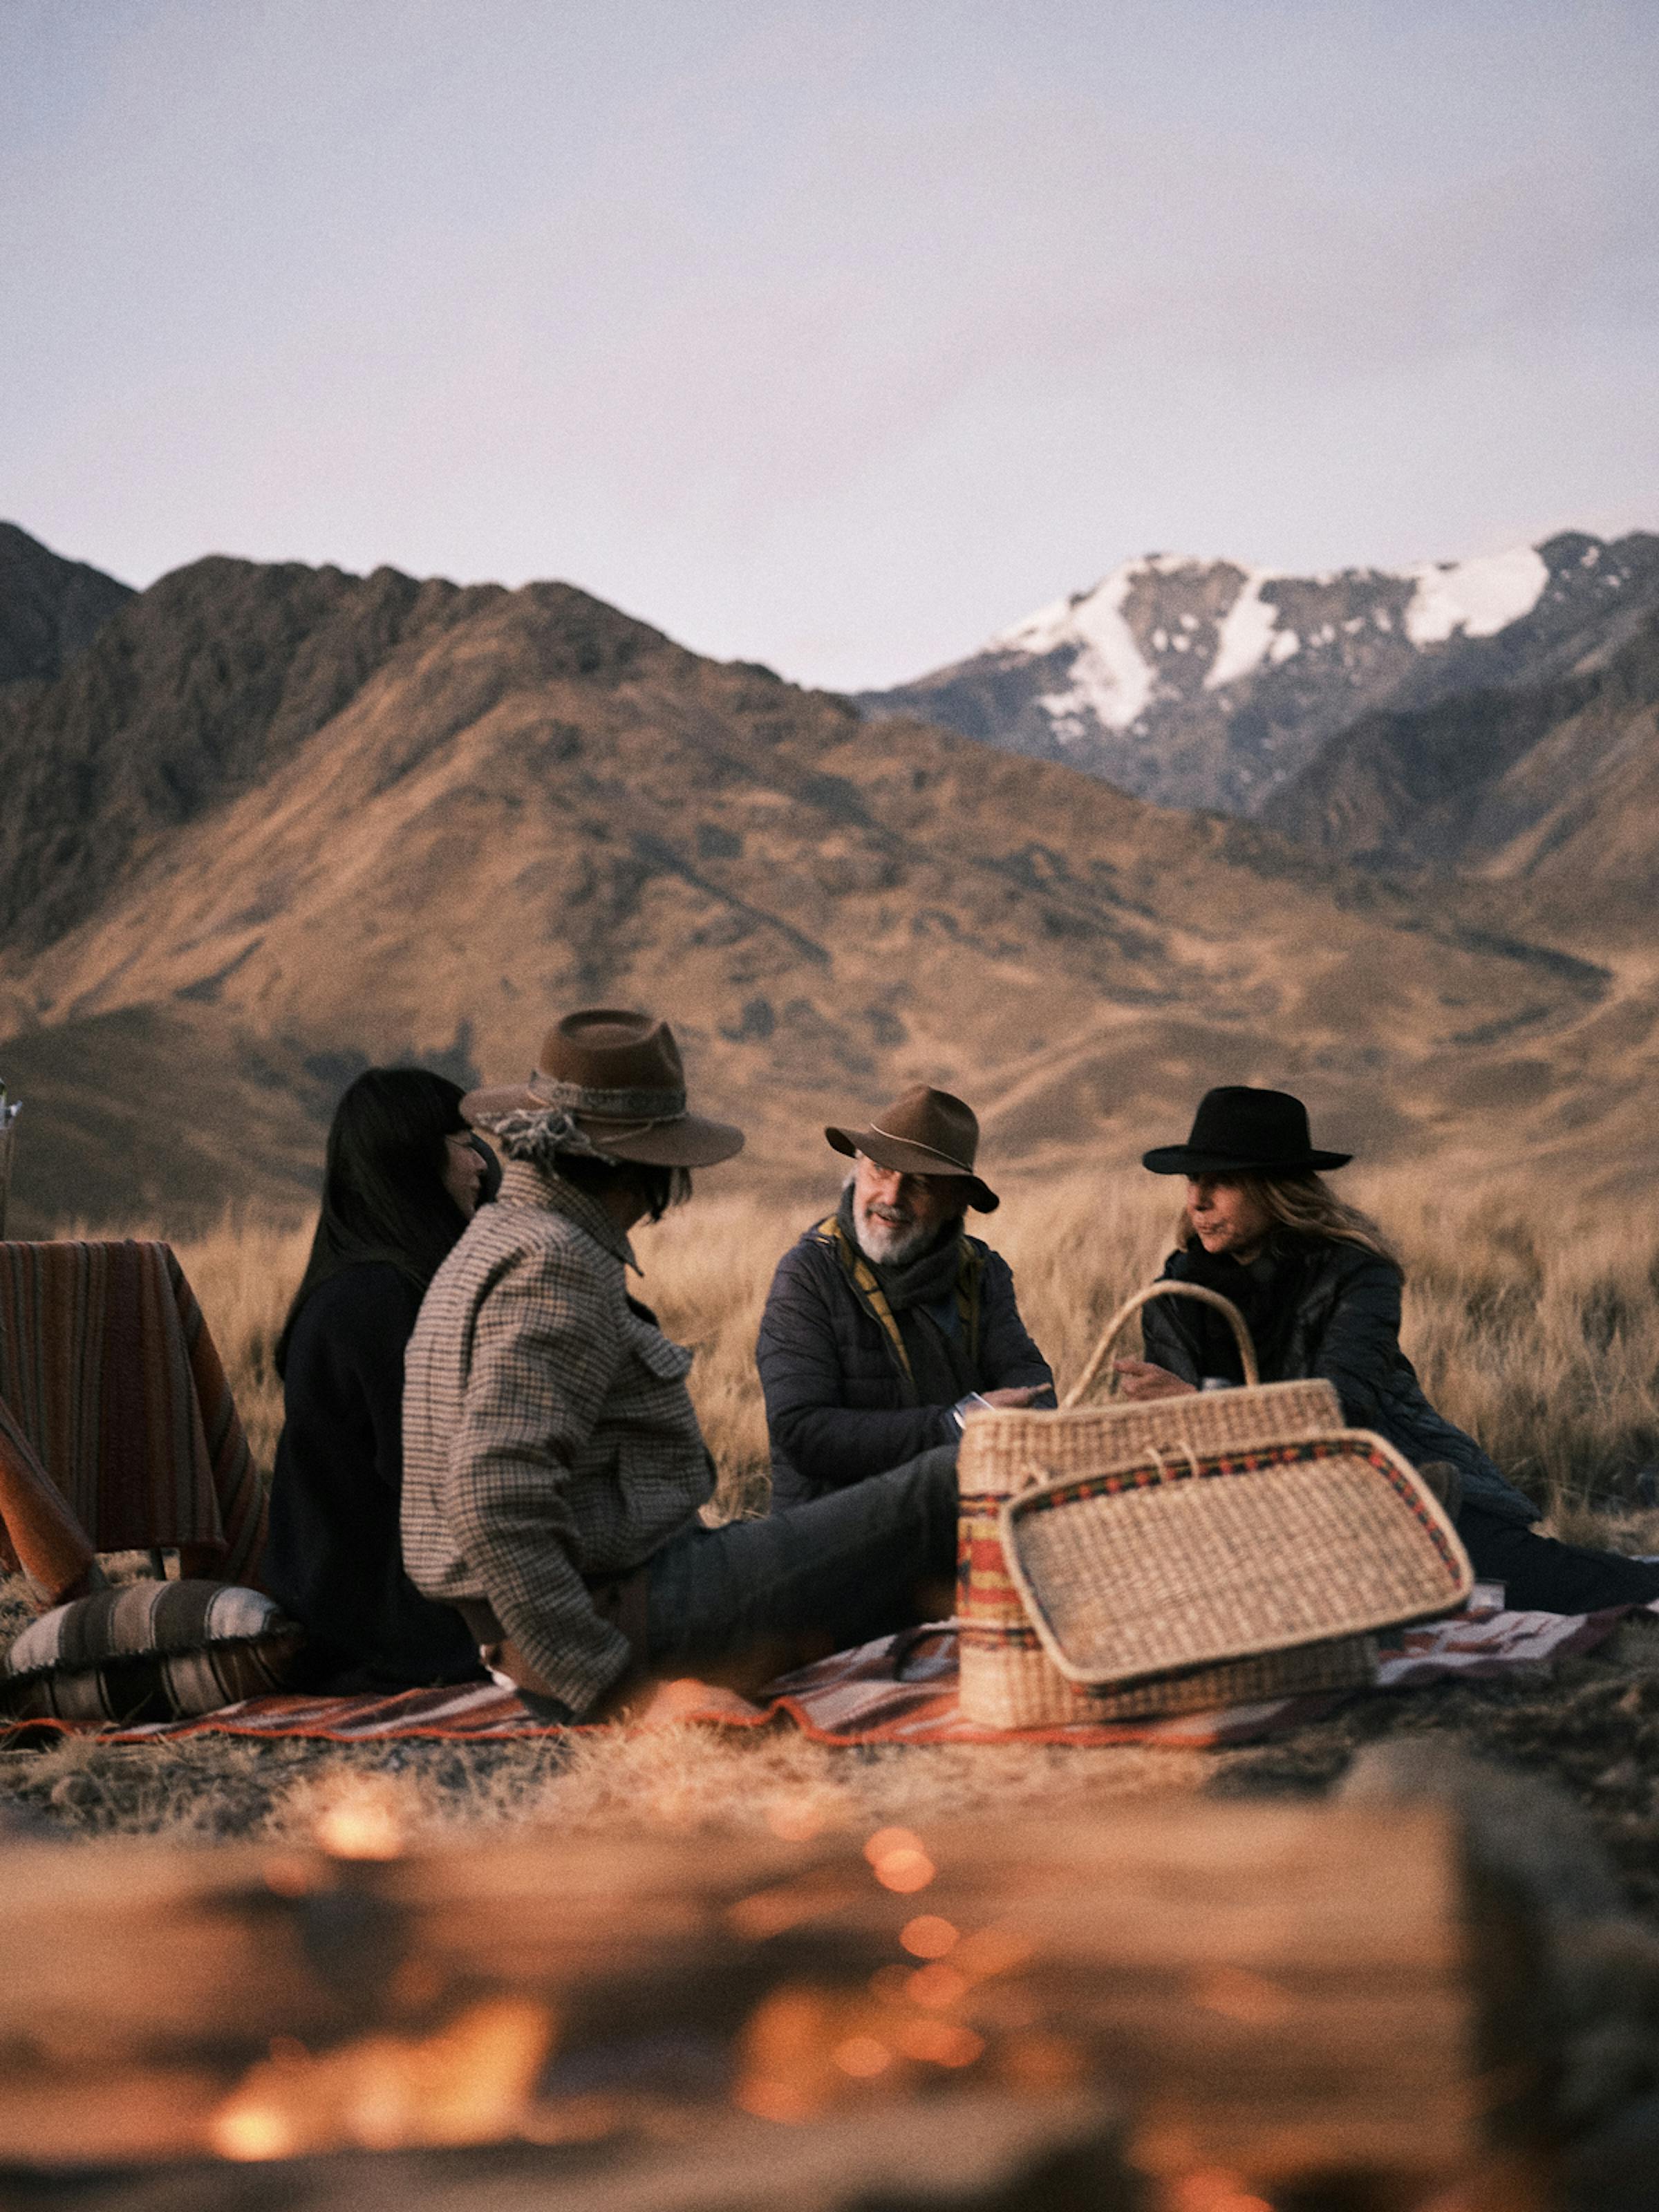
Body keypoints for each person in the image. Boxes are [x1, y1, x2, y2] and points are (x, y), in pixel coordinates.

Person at [401, 1010, 961, 1725]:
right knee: (949, 1484)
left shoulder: (498, 1235)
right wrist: (618, 1692)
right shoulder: (555, 1262)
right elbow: (492, 1496)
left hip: (581, 1613)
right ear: (639, 1166)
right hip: (623, 1618)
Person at [1119, 1085, 1659, 1615]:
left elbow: (1340, 1408)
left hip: (1379, 1472)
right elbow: (1172, 1439)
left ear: (1274, 1189)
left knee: (1522, 1584)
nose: (1198, 1200)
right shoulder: (1174, 1295)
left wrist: (1201, 1402)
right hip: (1241, 1504)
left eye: (1224, 1182)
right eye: (1194, 1179)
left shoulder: (1358, 1275)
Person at [264, 1069, 493, 1690]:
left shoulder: (371, 1287)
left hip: (368, 1603)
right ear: (411, 1162)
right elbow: (447, 1490)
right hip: (388, 1622)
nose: (481, 1166)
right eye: (463, 1143)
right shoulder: (375, 1301)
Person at [756, 1085, 1054, 1510]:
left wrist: (1028, 1414)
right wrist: (954, 1425)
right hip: (834, 1536)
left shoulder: (981, 1273)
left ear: (956, 1203)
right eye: (881, 1170)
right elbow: (802, 1431)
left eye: (920, 1184)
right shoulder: (809, 1274)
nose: (892, 1198)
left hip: (961, 1518)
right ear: (858, 1170)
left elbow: (1031, 1386)